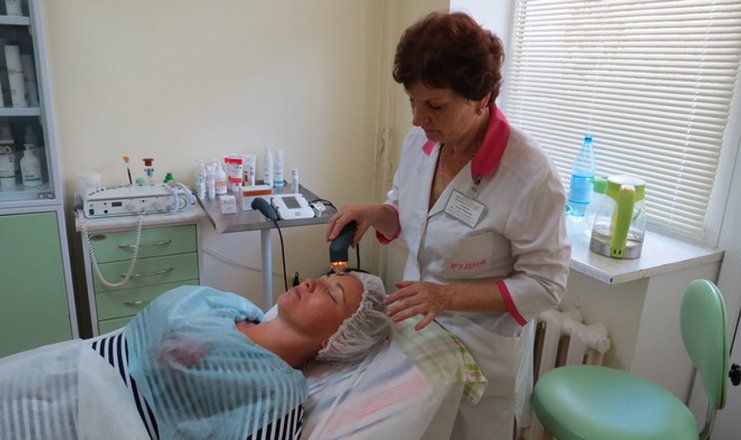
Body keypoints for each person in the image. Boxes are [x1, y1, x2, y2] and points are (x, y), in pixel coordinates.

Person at [326, 11, 570, 440]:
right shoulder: (422, 142)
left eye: (434, 106)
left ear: (481, 97)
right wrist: (376, 212)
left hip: (481, 346)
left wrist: (448, 295)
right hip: (417, 333)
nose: (418, 118)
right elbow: (408, 211)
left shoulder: (529, 175)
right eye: (412, 102)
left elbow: (547, 284)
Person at [0, 271, 389, 440]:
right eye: (326, 277)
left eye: (331, 293)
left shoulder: (280, 395)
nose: (314, 282)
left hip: (89, 422)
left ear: (339, 338)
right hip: (63, 367)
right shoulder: (230, 305)